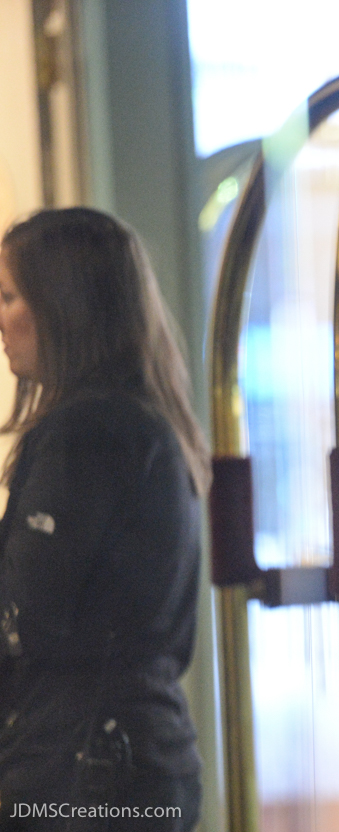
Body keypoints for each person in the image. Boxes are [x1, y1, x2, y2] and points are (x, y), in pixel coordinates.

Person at [0, 208, 208, 830]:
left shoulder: (86, 431)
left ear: (62, 305)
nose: (0, 319)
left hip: (85, 778)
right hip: (137, 760)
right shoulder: (140, 421)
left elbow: (23, 618)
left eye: (9, 297)